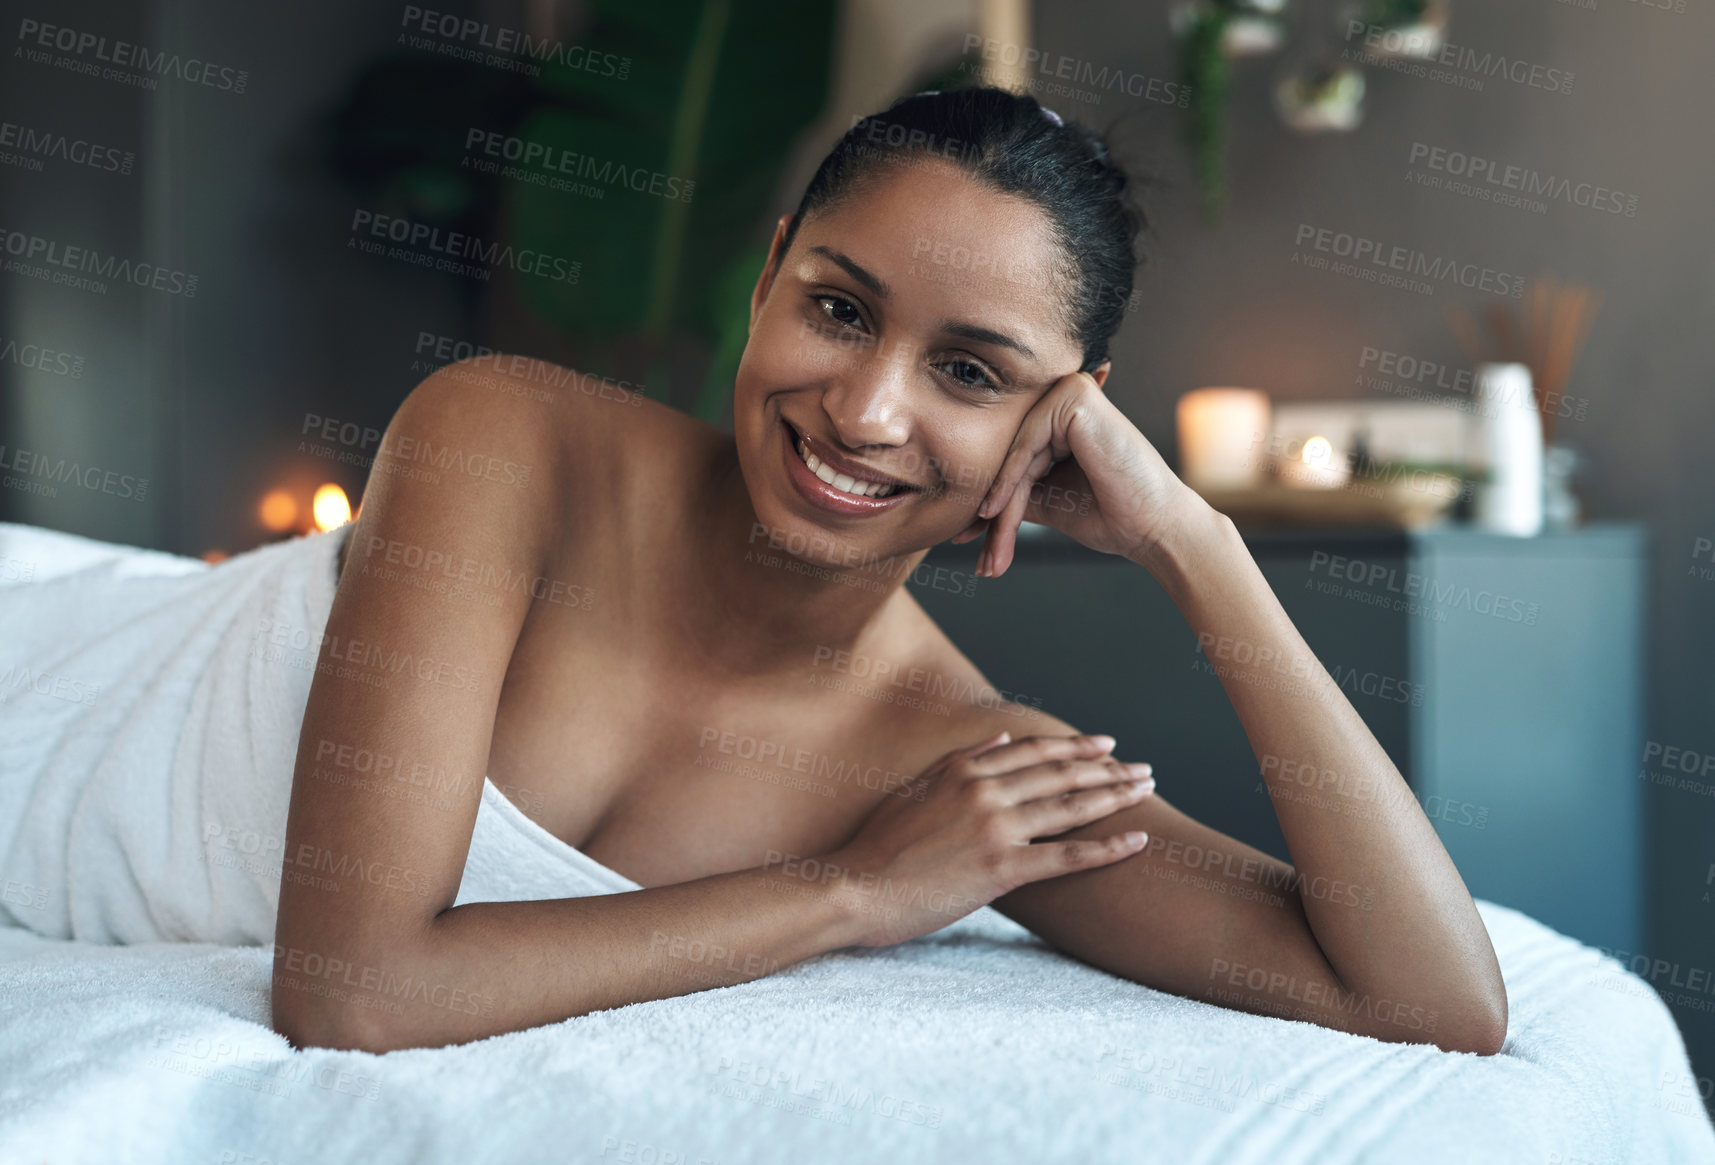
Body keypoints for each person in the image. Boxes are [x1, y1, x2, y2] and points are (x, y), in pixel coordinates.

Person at [263, 85, 1506, 1055]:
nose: (862, 411)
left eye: (969, 372)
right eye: (839, 310)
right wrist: (851, 890)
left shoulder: (963, 768)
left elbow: (1435, 1002)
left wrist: (1195, 544)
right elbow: (352, 991)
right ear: (768, 275)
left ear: (1066, 417)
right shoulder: (506, 441)